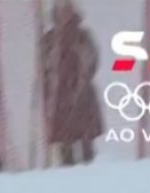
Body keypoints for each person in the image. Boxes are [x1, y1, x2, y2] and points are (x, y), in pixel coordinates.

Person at [39, 0, 103, 166]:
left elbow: (92, 59)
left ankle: (90, 169)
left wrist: (82, 75)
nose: (64, 15)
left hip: (81, 92)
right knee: (64, 141)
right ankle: (67, 172)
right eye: (61, 11)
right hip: (59, 95)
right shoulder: (49, 39)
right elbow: (42, 66)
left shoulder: (82, 36)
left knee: (86, 140)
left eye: (67, 10)